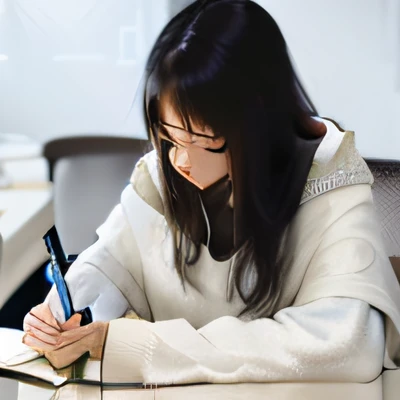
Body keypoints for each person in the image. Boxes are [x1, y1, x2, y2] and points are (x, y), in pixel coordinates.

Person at [23, 0, 400, 385]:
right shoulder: (163, 172)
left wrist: (136, 344)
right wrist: (59, 310)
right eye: (168, 137)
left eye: (200, 138)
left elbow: (344, 341)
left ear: (258, 125)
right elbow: (113, 259)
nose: (180, 161)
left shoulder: (332, 185)